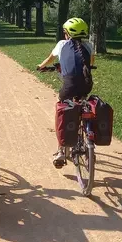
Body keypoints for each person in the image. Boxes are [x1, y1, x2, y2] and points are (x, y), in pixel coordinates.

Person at [37, 17, 95, 167]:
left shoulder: (62, 44)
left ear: (67, 33)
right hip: (87, 85)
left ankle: (61, 150)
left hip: (68, 87)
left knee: (63, 110)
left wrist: (40, 66)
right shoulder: (89, 46)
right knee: (82, 104)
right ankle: (88, 138)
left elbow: (50, 59)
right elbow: (90, 64)